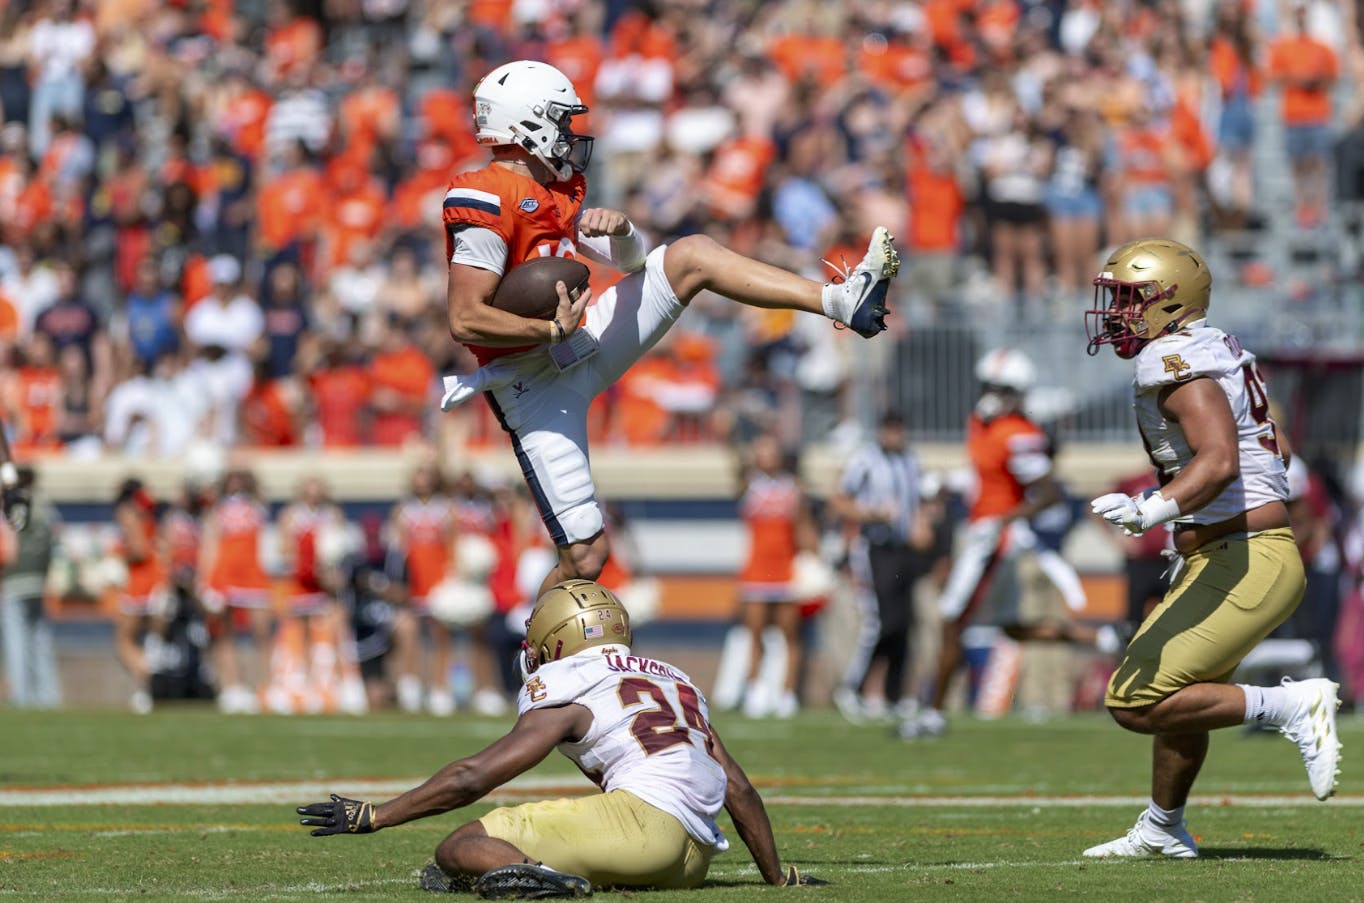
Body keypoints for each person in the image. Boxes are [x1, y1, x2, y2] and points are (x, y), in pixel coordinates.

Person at [437, 60, 899, 600]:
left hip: (580, 342)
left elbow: (635, 263)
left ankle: (841, 298)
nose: (569, 135)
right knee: (585, 556)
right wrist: (547, 331)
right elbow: (464, 317)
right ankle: (535, 661)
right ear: (527, 123)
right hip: (529, 381)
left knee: (690, 256)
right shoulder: (483, 196)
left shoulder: (558, 188)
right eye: (560, 121)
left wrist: (625, 230)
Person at [296, 579, 824, 895]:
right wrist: (776, 877)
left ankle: (546, 882)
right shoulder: (674, 678)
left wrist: (378, 815)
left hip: (641, 830)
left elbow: (473, 776)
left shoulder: (572, 685)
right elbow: (739, 789)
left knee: (460, 847)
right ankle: (545, 874)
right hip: (693, 859)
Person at [1082, 237, 1339, 859]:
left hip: (1243, 556)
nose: (1118, 312)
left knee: (1134, 699)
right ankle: (1161, 827)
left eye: (1130, 299)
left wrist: (1153, 508)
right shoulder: (1212, 347)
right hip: (1242, 553)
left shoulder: (1170, 357)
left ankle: (1290, 704)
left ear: (1170, 302)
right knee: (1183, 700)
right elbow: (1257, 453)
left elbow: (1221, 461)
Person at [912, 349, 1095, 737]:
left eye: (1001, 388)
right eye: (988, 386)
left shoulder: (1019, 434)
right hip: (983, 531)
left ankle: (933, 714)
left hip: (995, 539)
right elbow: (984, 480)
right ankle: (1104, 637)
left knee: (951, 618)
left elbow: (1047, 494)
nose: (991, 393)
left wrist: (1004, 520)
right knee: (1011, 628)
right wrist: (948, 484)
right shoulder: (982, 424)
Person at [829, 410, 925, 722]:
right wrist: (871, 514)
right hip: (874, 546)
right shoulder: (865, 461)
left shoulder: (910, 461)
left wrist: (921, 525)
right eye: (889, 430)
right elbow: (840, 499)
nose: (894, 436)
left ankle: (894, 695)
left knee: (903, 623)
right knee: (877, 621)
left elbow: (918, 503)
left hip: (903, 549)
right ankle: (851, 688)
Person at [1, 466, 61, 708]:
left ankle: (22, 698)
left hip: (15, 581)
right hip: (38, 580)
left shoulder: (13, 507)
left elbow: (10, 549)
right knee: (40, 642)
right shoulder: (46, 509)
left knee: (17, 643)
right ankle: (48, 698)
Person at [112, 477, 166, 715]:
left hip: (140, 583)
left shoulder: (128, 512)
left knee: (123, 642)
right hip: (156, 579)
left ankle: (148, 682)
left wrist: (116, 553)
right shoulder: (147, 511)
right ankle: (148, 686)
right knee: (148, 640)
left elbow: (138, 550)